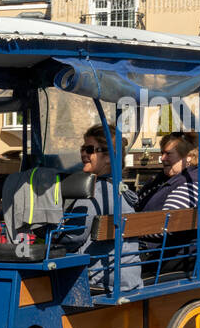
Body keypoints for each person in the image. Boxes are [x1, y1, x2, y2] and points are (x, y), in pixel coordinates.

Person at [59, 124, 140, 292]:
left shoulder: (92, 192)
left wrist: (49, 237)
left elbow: (73, 237)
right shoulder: (121, 190)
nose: (83, 154)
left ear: (109, 157)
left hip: (101, 278)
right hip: (127, 274)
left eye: (89, 150)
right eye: (82, 149)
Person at [133, 132, 200, 275]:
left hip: (165, 256)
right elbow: (136, 201)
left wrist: (130, 231)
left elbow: (166, 224)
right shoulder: (162, 179)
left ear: (188, 157)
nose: (162, 158)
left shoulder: (191, 184)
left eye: (168, 154)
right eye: (161, 153)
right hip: (152, 252)